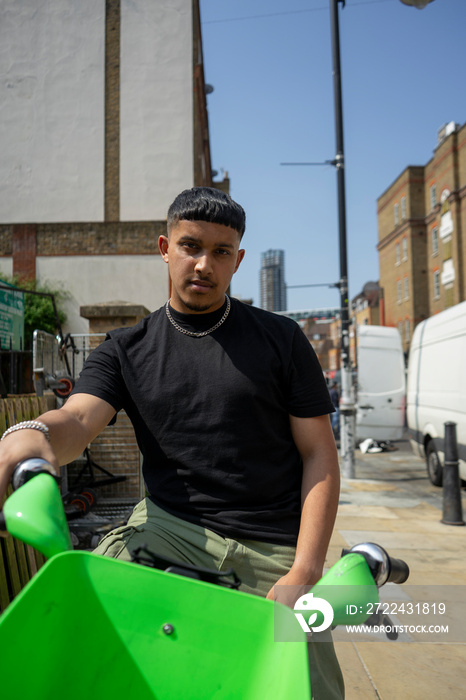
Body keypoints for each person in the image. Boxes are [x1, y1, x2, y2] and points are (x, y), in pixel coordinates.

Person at [0, 187, 344, 699]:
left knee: (307, 687)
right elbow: (77, 417)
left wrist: (306, 569)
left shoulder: (281, 339)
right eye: (190, 246)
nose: (204, 264)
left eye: (220, 252)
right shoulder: (125, 348)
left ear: (238, 260)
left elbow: (320, 455)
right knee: (88, 653)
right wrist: (33, 435)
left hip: (272, 549)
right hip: (167, 532)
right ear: (165, 247)